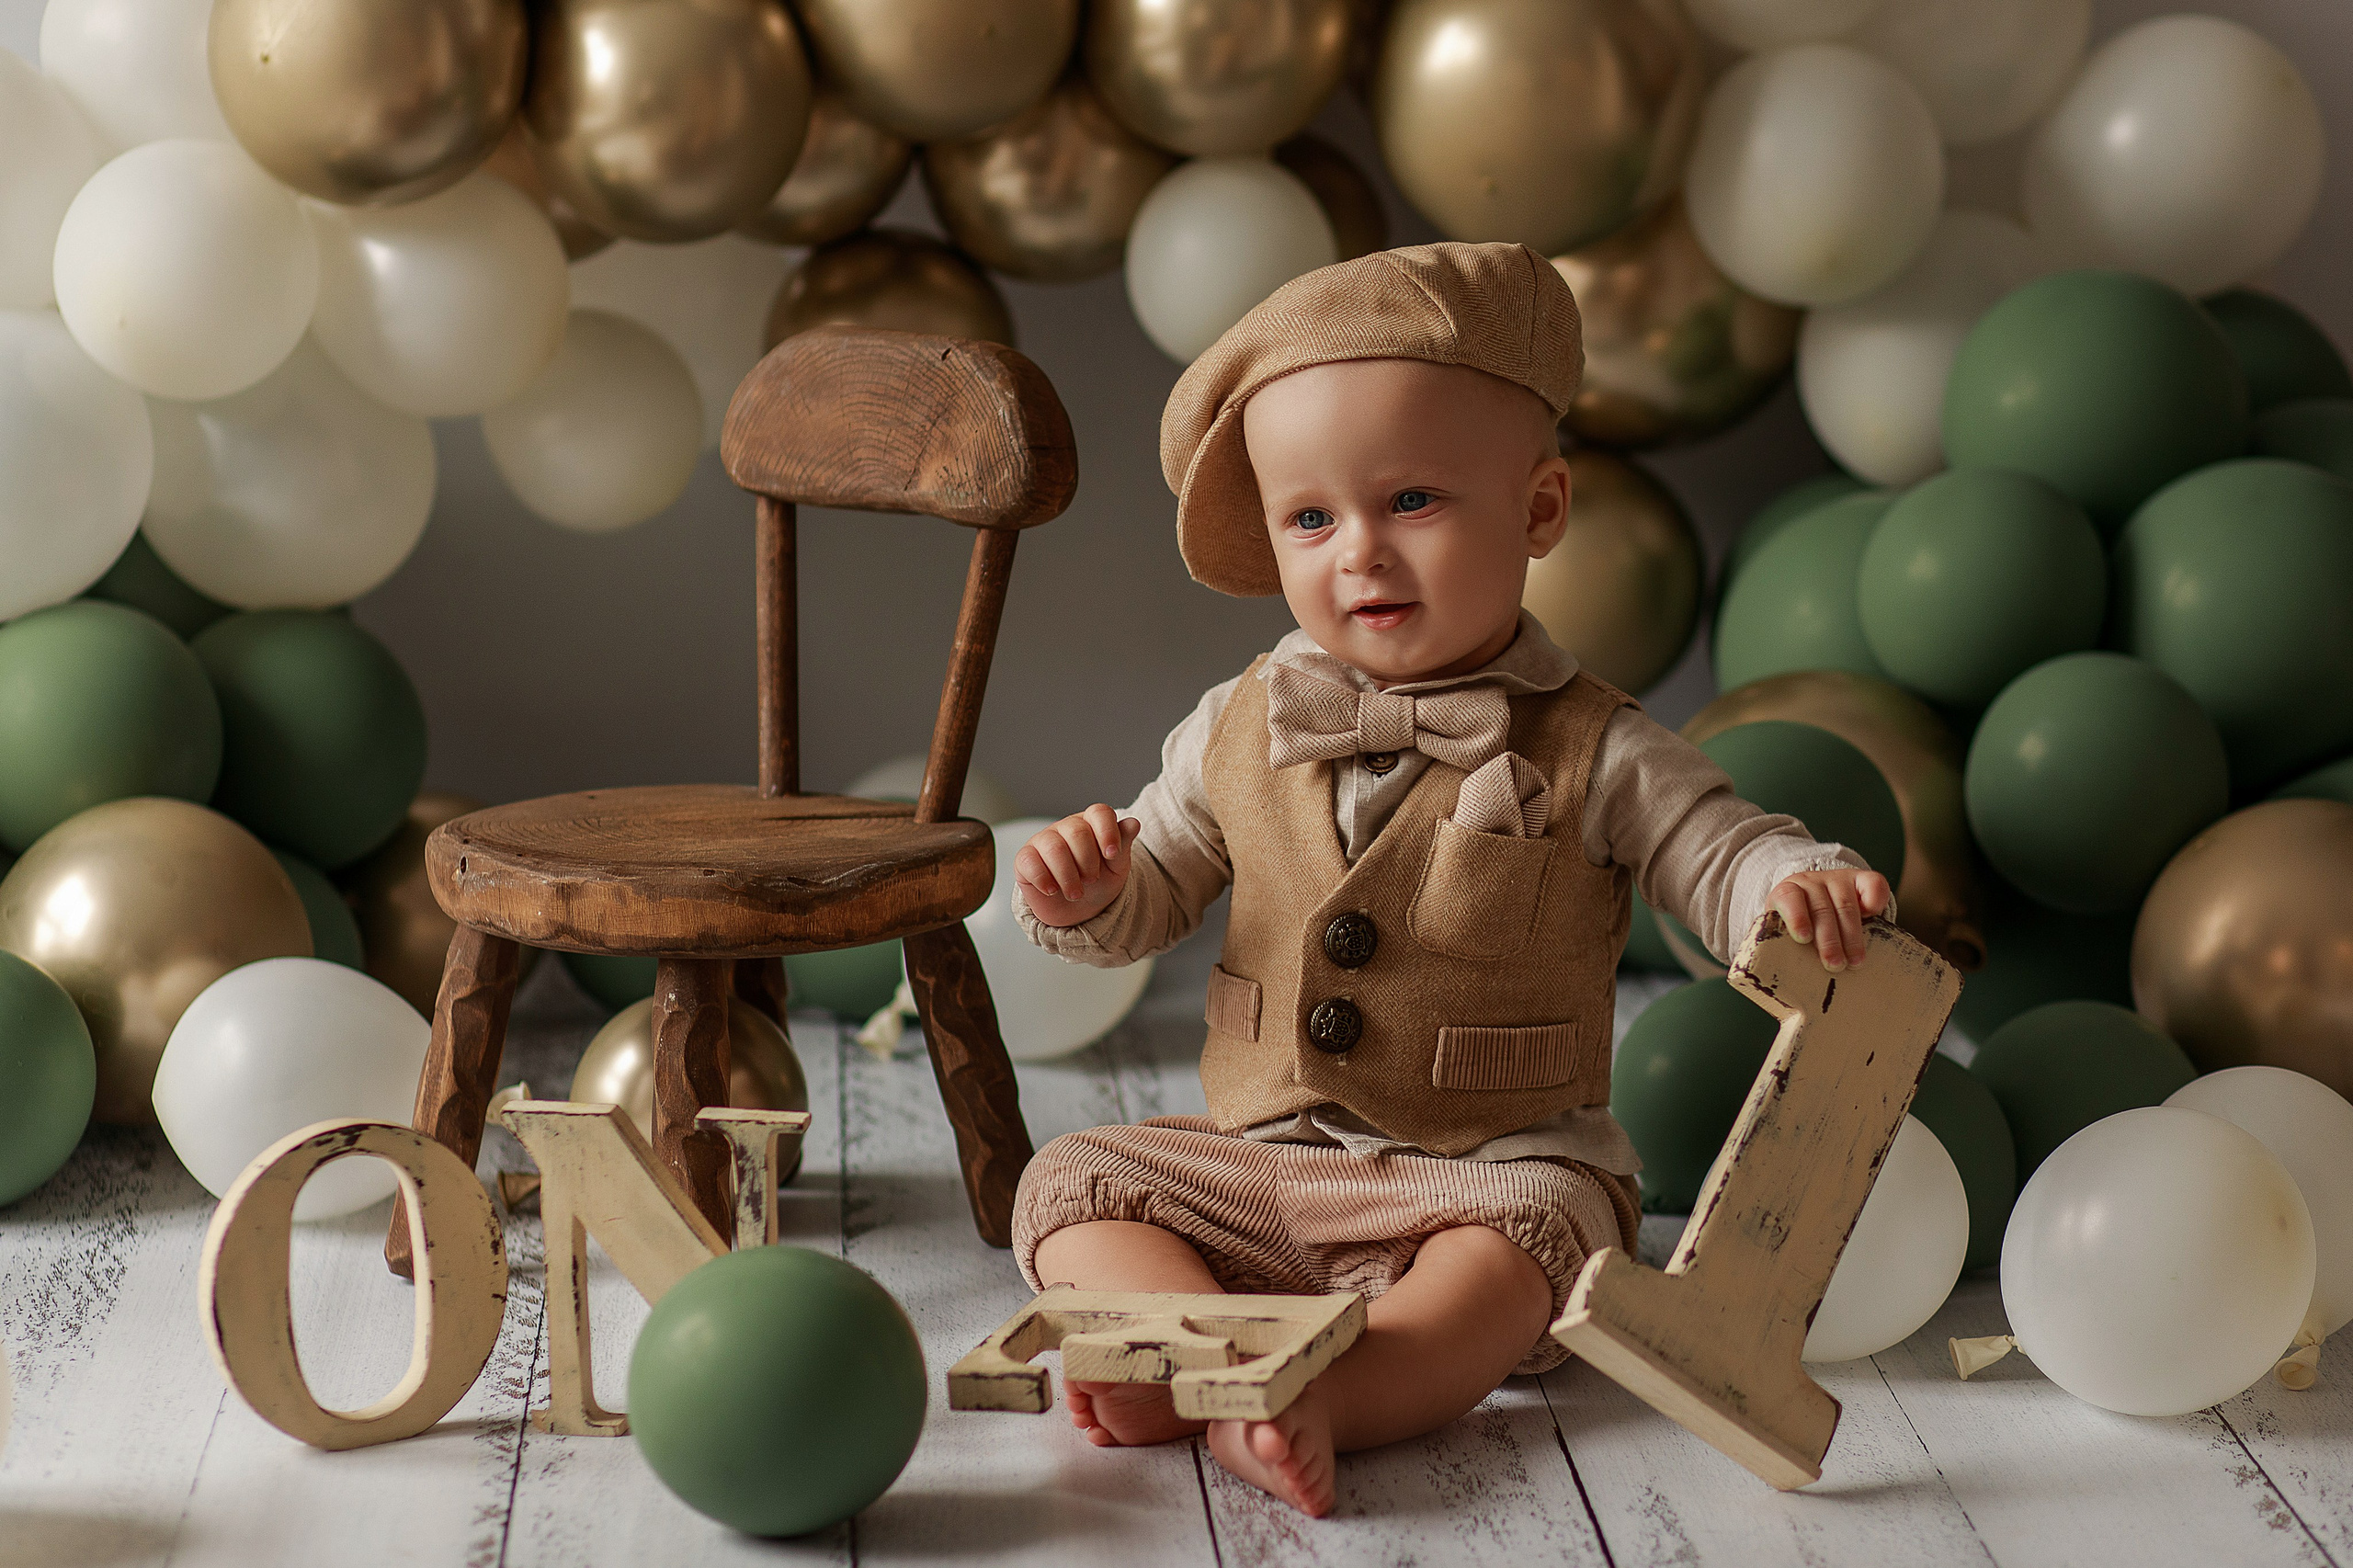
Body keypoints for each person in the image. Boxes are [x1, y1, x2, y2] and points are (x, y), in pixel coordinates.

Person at [1009, 242, 1892, 1517]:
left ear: (1538, 510)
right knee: (1073, 1186)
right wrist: (1088, 893)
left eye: (1410, 500)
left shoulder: (1594, 744)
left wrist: (1790, 881)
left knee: (1523, 1252)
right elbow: (1155, 887)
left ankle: (1337, 1390)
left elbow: (1718, 846)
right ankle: (1209, 1357)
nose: (1357, 553)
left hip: (1486, 1167)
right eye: (1310, 518)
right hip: (1265, 1162)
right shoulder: (1236, 722)